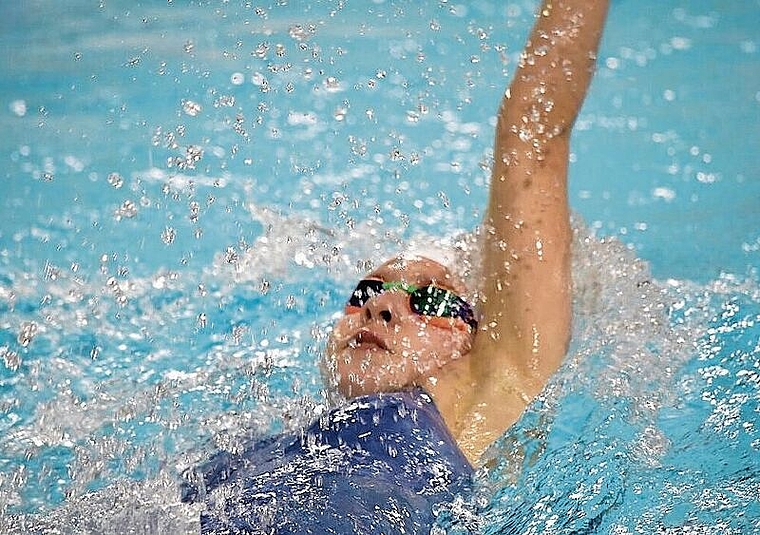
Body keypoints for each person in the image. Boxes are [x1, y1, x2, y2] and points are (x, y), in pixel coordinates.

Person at [183, 0, 610, 532]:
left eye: (429, 301)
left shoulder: (483, 391)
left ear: (476, 339)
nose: (381, 307)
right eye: (364, 293)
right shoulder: (270, 444)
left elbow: (533, 135)